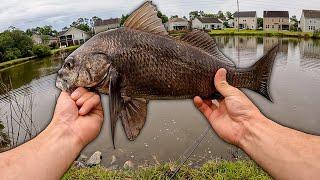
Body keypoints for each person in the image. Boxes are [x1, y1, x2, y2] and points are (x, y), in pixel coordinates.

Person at [0, 68, 319, 179]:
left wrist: (250, 126)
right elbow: (131, 112)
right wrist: (64, 132)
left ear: (103, 65)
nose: (65, 75)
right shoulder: (111, 76)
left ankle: (253, 79)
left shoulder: (112, 65)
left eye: (71, 66)